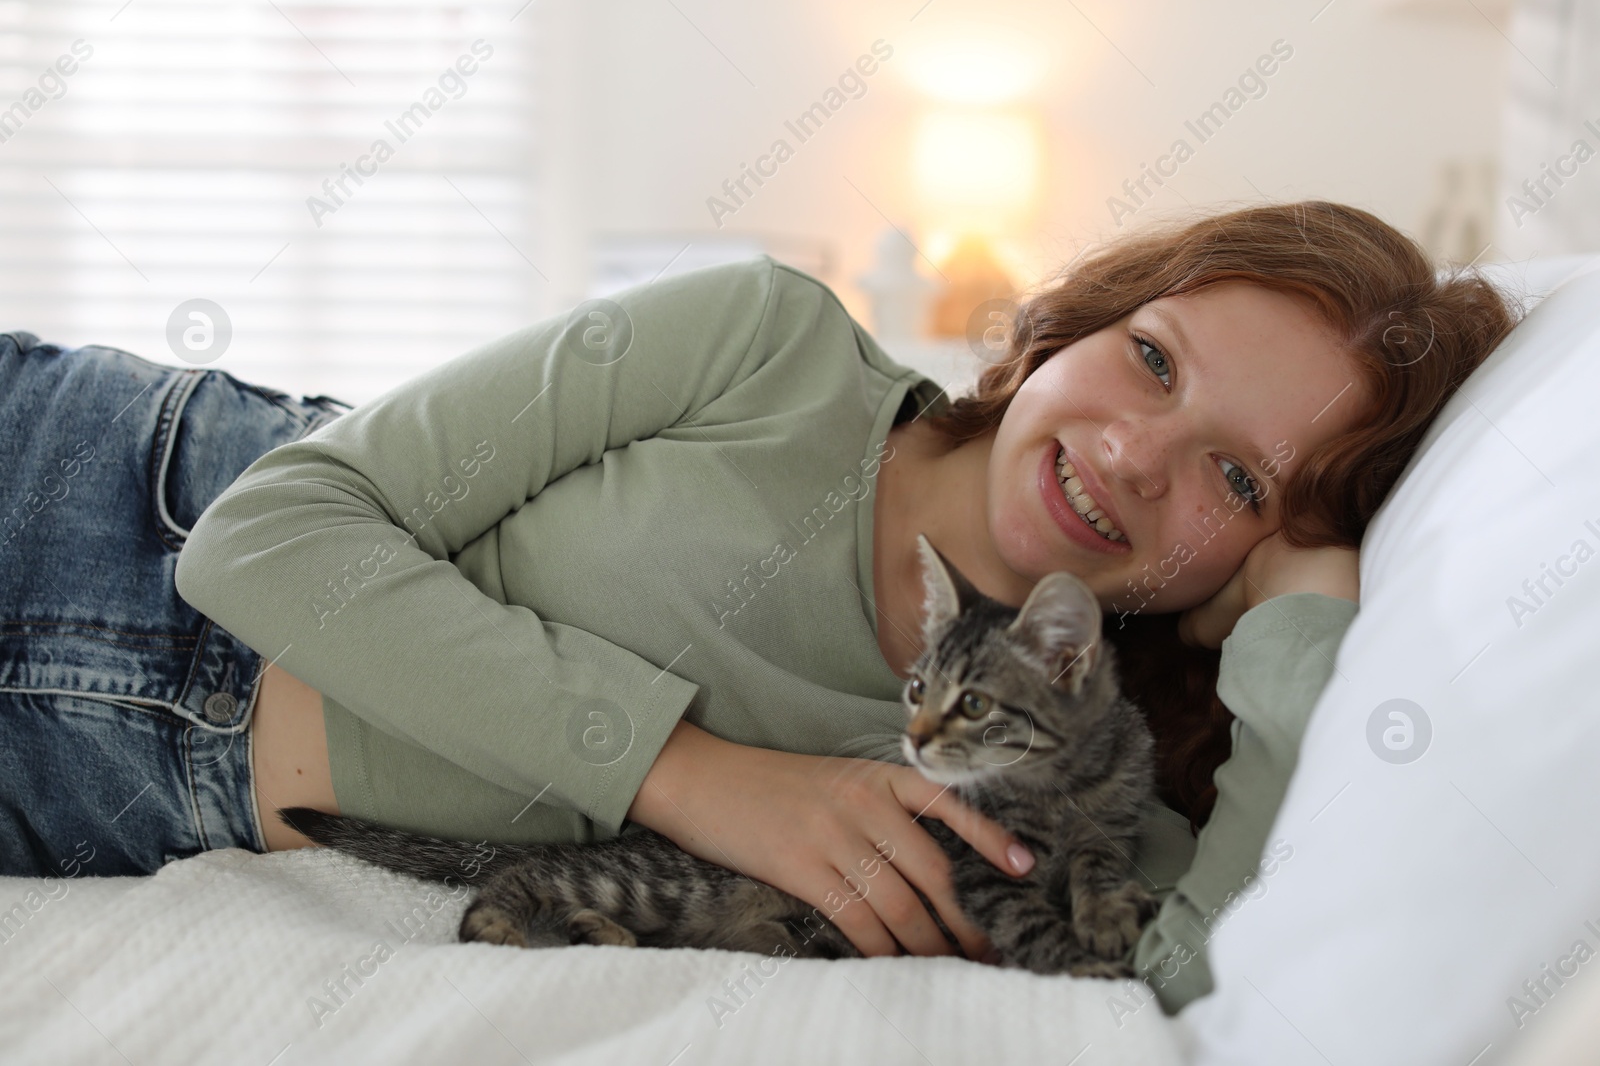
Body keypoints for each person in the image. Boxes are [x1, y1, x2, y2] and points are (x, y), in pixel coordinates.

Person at [0, 200, 1518, 1014]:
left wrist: (1299, 629)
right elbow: (262, 539)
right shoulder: (768, 341)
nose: (1129, 453)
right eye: (1156, 359)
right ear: (1085, 320)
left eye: (1237, 485)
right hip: (91, 497)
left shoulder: (1054, 785)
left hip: (104, 789)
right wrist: (695, 777)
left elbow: (1199, 966)